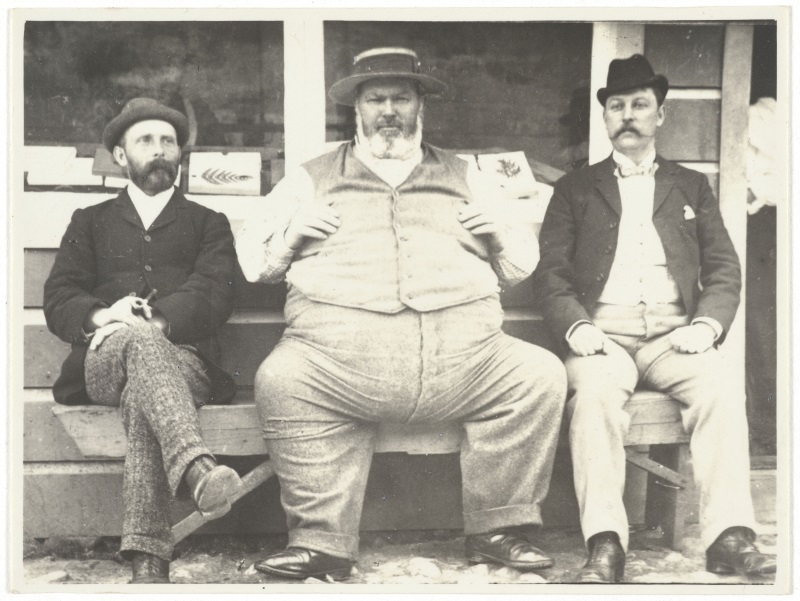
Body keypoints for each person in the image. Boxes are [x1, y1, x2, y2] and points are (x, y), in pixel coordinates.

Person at [236, 47, 566, 581]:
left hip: (468, 360)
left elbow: (521, 267)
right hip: (336, 362)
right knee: (282, 379)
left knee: (538, 374)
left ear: (421, 106)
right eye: (375, 99)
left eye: (401, 98)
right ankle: (321, 541)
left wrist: (500, 234)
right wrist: (292, 235)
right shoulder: (309, 177)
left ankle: (497, 529)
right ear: (356, 110)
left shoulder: (468, 174)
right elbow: (256, 264)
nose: (388, 111)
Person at [534, 54, 776, 583]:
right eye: (616, 106)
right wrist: (578, 328)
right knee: (595, 396)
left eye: (640, 105)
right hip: (602, 336)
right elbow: (550, 275)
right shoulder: (575, 189)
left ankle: (729, 538)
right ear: (604, 118)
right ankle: (605, 544)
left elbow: (723, 270)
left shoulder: (690, 186)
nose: (627, 115)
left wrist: (705, 327)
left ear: (660, 115)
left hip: (674, 336)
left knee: (719, 384)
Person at [43, 97, 242, 584]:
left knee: (144, 392)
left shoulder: (207, 222)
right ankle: (195, 469)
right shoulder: (88, 221)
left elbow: (216, 293)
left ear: (179, 154)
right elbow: (60, 295)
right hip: (103, 358)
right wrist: (104, 314)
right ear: (119, 155)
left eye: (168, 142)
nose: (159, 151)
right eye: (146, 141)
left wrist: (157, 323)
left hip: (185, 362)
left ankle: (148, 562)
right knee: (139, 348)